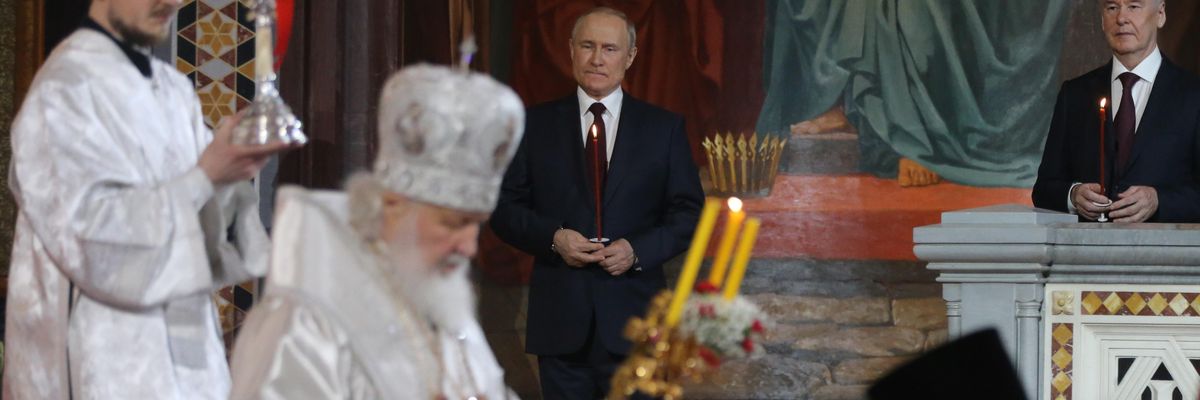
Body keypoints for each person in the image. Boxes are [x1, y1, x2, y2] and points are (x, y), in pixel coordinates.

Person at [3, 0, 289, 398]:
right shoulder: (65, 90)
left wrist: (232, 173)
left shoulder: (172, 90)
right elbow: (92, 245)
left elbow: (210, 231)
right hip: (105, 362)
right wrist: (206, 175)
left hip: (189, 363)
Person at [229, 64, 523, 399]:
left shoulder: (440, 301)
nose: (469, 246)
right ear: (393, 204)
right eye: (453, 223)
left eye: (477, 224)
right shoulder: (305, 323)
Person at [490, 6, 704, 398]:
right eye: (587, 46)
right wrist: (554, 239)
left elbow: (689, 213)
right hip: (560, 324)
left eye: (609, 48)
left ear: (630, 56)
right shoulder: (532, 125)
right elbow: (504, 209)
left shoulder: (664, 128)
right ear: (571, 50)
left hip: (637, 322)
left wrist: (637, 250)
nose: (597, 58)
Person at [1033, 0, 1200, 223]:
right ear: (1102, 20)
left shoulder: (1193, 95)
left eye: (1134, 6)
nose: (1121, 18)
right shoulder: (1074, 95)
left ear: (1160, 14)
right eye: (1112, 7)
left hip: (1164, 253)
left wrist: (1158, 200)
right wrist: (1073, 195)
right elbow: (1043, 189)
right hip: (1087, 254)